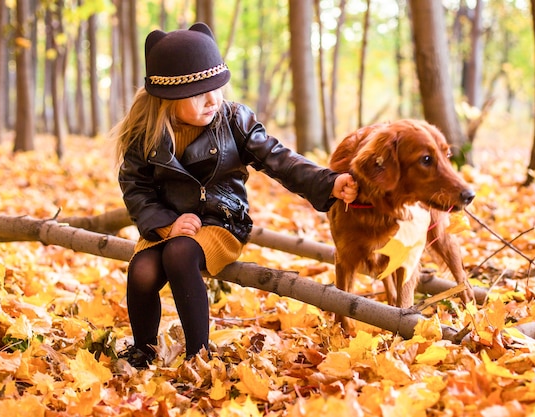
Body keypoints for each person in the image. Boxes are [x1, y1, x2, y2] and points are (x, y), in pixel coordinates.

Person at [113, 22, 358, 369]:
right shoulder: (147, 134)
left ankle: (198, 355)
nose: (212, 99)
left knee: (180, 256)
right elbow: (136, 189)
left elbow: (278, 158)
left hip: (221, 220)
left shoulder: (233, 121)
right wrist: (166, 225)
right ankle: (143, 348)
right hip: (169, 223)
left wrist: (327, 182)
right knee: (142, 269)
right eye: (199, 93)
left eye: (216, 88)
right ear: (167, 98)